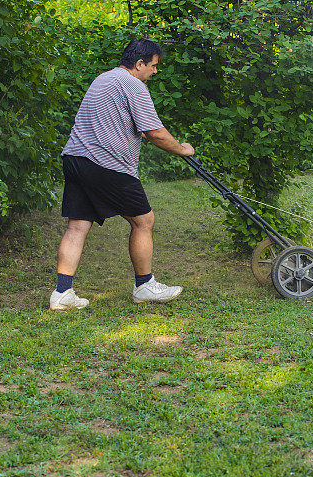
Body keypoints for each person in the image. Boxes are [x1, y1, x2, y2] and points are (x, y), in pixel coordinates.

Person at [50, 39, 195, 311]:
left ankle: (62, 293)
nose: (154, 72)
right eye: (152, 66)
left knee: (78, 225)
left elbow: (115, 121)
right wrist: (182, 149)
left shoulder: (103, 79)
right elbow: (155, 133)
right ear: (139, 64)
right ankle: (144, 285)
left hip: (75, 159)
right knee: (144, 221)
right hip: (105, 165)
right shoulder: (133, 84)